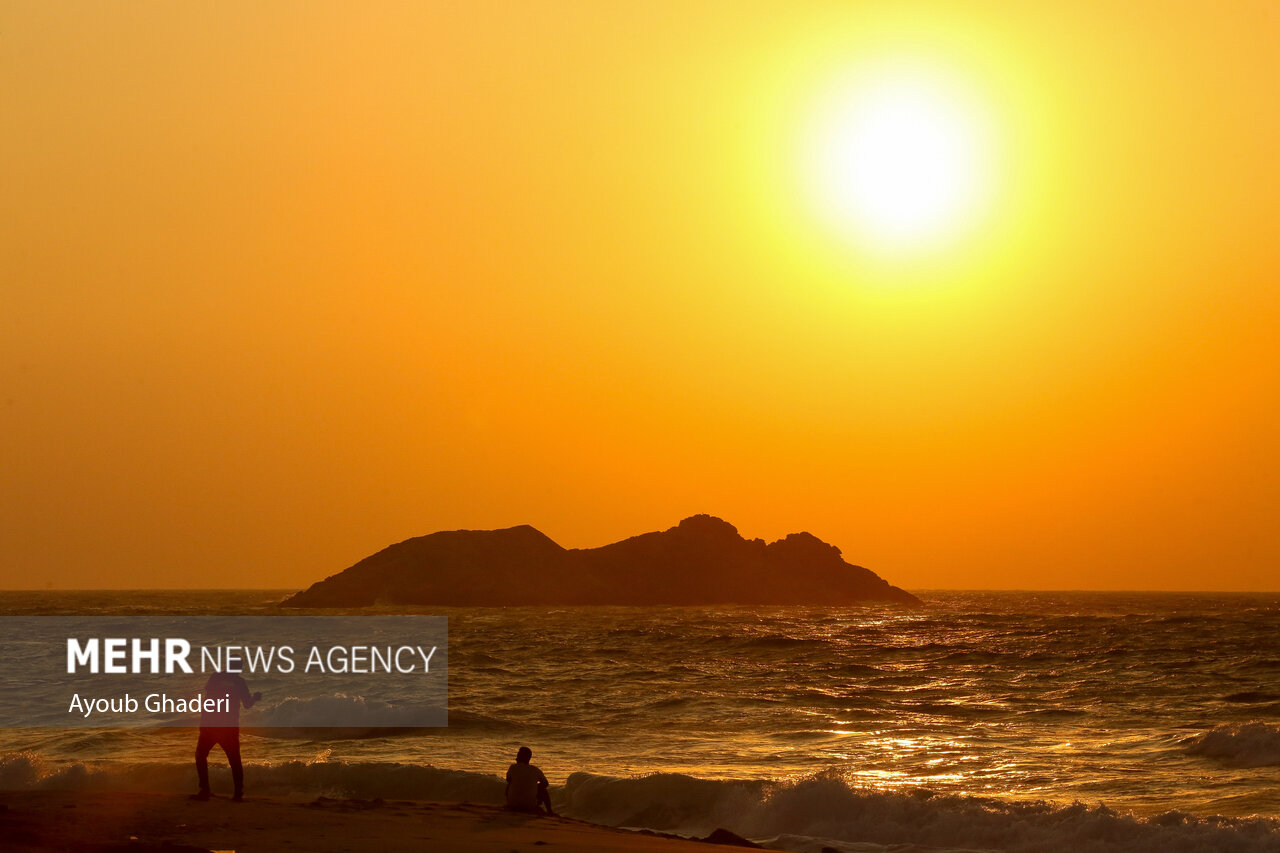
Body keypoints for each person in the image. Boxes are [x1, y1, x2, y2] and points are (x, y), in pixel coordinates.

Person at [191, 670, 260, 802]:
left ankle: (205, 791)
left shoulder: (216, 676)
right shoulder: (240, 682)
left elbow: (208, 698)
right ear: (239, 668)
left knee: (200, 756)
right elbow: (247, 704)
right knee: (234, 760)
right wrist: (255, 698)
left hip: (210, 725)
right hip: (228, 727)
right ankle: (238, 793)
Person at [505, 746, 556, 816]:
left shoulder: (513, 767)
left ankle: (511, 802)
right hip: (529, 805)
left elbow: (508, 780)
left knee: (510, 784)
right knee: (543, 790)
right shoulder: (535, 770)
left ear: (519, 757)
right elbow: (545, 784)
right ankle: (549, 811)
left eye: (518, 755)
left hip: (513, 804)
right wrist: (535, 787)